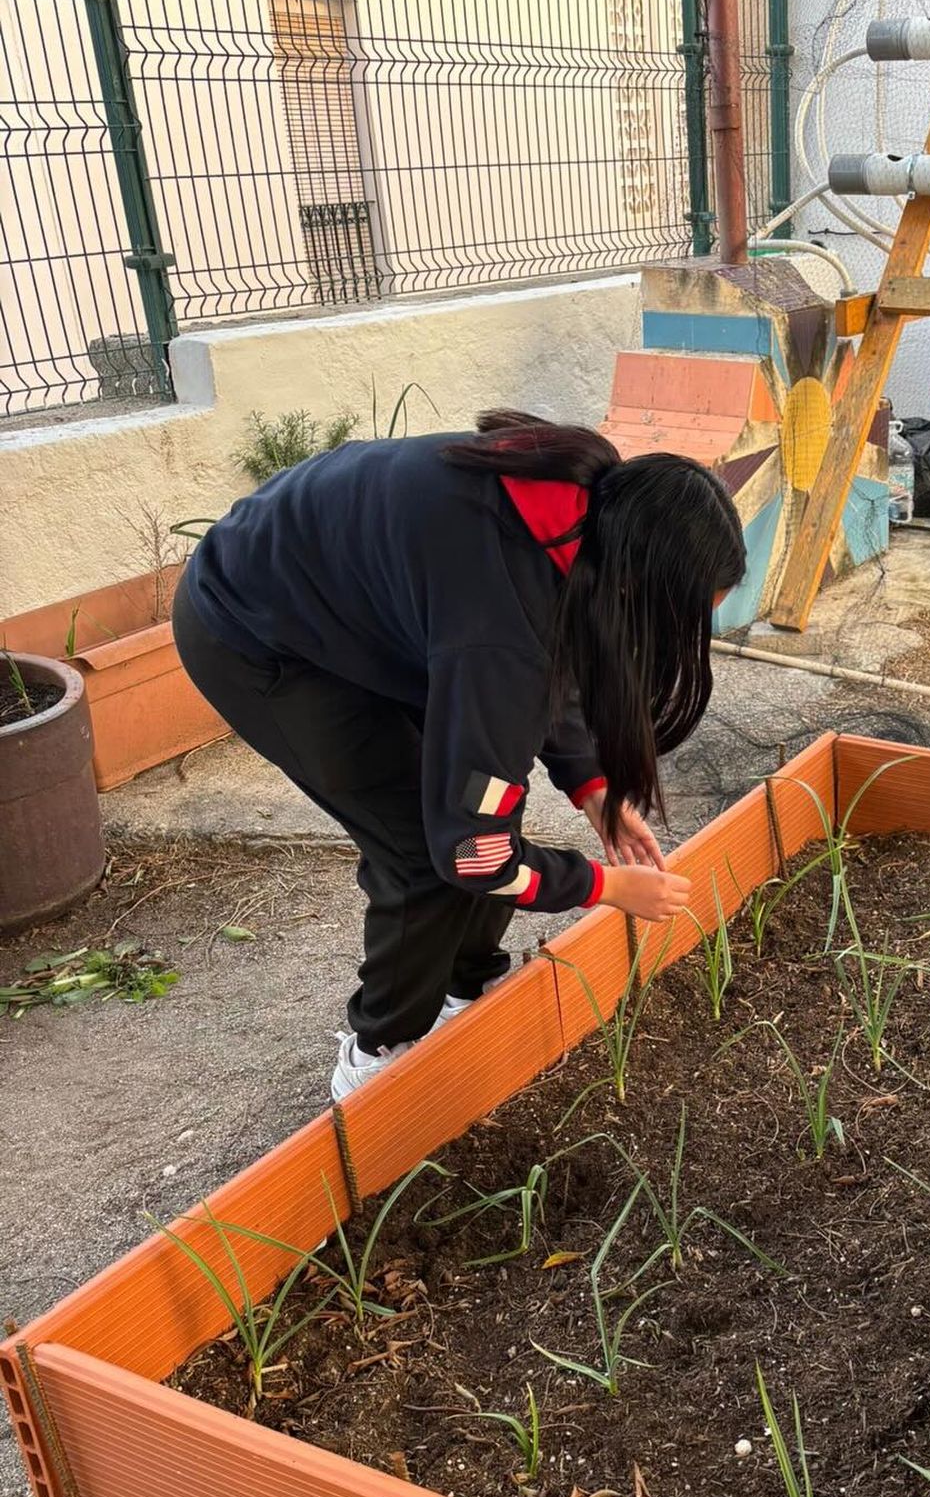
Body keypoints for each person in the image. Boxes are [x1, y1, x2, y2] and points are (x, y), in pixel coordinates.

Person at [172, 413, 746, 1099]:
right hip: (257, 629)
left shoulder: (583, 507)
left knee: (482, 793)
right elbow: (475, 852)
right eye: (681, 619)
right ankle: (377, 1053)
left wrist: (595, 787)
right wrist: (605, 887)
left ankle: (467, 985)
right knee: (423, 850)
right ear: (634, 587)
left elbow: (544, 658)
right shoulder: (499, 628)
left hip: (360, 606)